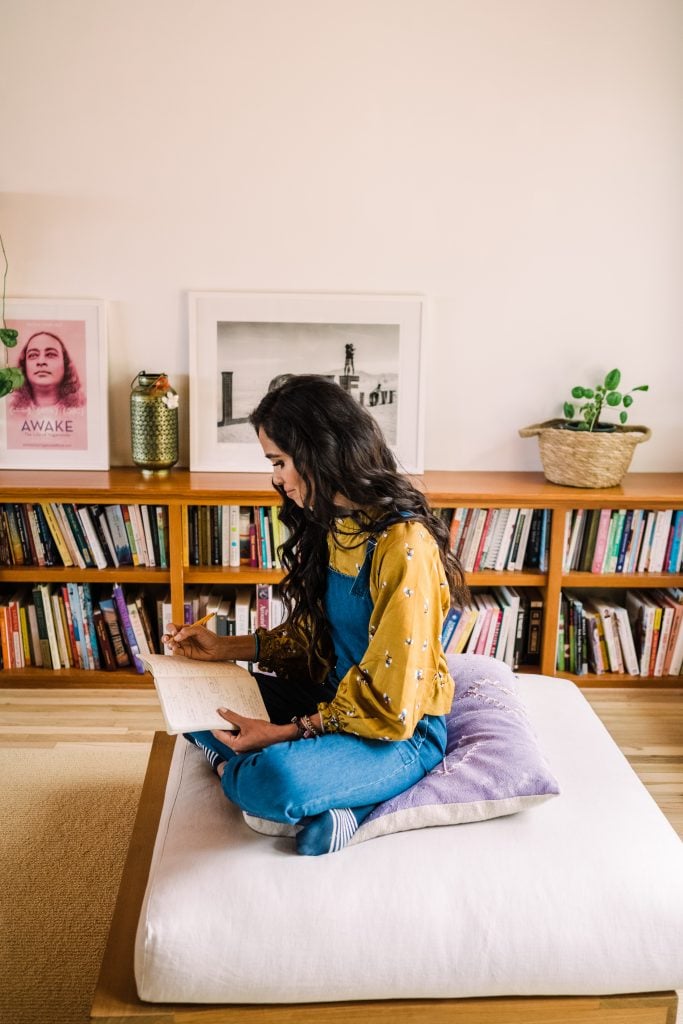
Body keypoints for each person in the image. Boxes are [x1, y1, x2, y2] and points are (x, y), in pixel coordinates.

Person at [163, 374, 468, 856]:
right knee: (198, 696)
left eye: (280, 462)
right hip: (328, 698)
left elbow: (392, 704)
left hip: (395, 731)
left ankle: (343, 804)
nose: (277, 479)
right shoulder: (334, 523)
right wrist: (225, 648)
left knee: (276, 779)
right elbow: (312, 639)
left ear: (320, 452)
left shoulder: (404, 546)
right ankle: (308, 787)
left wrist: (286, 734)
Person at [9, 331, 85, 412]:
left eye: (50, 354)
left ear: (65, 364)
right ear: (24, 366)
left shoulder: (83, 410)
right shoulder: (10, 411)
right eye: (33, 355)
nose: (41, 362)